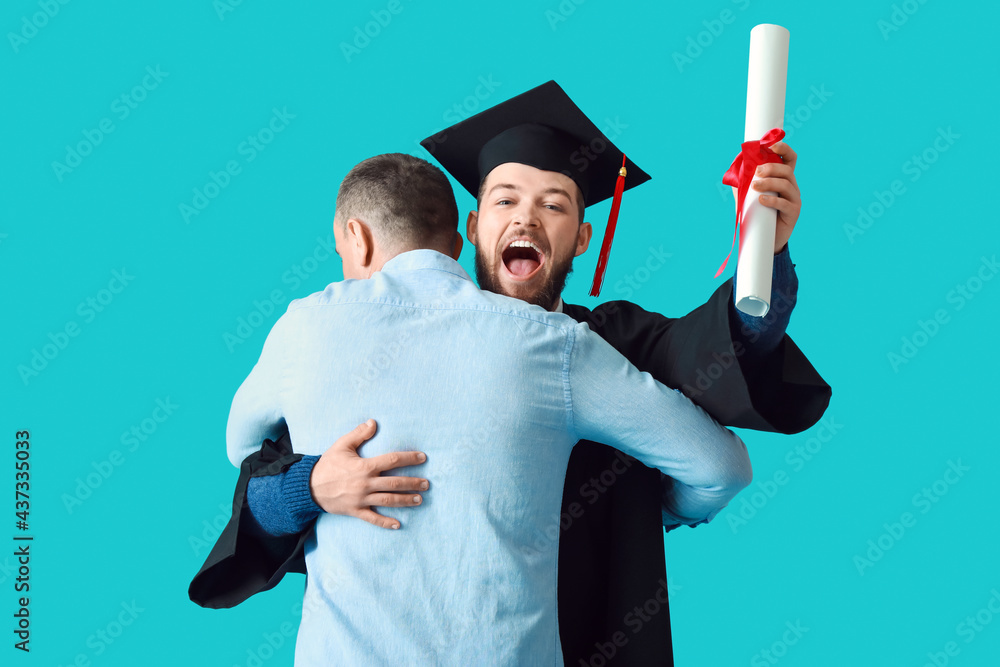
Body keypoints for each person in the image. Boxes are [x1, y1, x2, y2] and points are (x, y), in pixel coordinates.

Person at [189, 81, 831, 665]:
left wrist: (762, 258)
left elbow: (708, 354)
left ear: (582, 237)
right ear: (472, 228)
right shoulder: (363, 342)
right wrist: (314, 482)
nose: (525, 217)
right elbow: (266, 473)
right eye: (505, 200)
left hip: (597, 629)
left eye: (553, 205)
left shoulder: (607, 341)